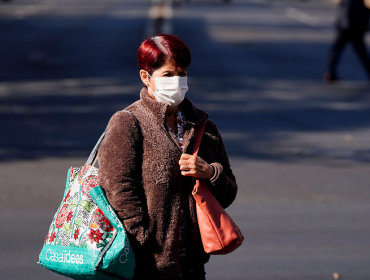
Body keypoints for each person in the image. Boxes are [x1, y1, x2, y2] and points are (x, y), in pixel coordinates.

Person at [97, 34, 238, 280]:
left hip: (193, 265)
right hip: (146, 266)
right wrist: (144, 242)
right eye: (168, 75)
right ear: (145, 77)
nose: (177, 82)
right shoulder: (129, 122)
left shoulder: (205, 127)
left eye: (182, 74)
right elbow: (116, 190)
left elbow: (228, 195)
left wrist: (210, 173)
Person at [324, 0, 370, 81]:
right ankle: (330, 73)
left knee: (336, 51)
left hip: (344, 24)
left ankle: (330, 73)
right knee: (362, 54)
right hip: (355, 27)